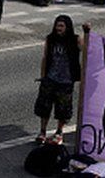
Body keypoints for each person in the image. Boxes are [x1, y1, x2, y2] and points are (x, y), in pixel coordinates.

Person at [34, 15, 82, 145]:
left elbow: (88, 50)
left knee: (63, 110)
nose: (58, 28)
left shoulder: (75, 40)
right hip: (50, 79)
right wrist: (43, 76)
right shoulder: (50, 39)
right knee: (44, 107)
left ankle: (59, 132)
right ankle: (42, 131)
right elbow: (45, 57)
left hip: (66, 81)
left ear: (67, 27)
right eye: (57, 25)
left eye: (61, 26)